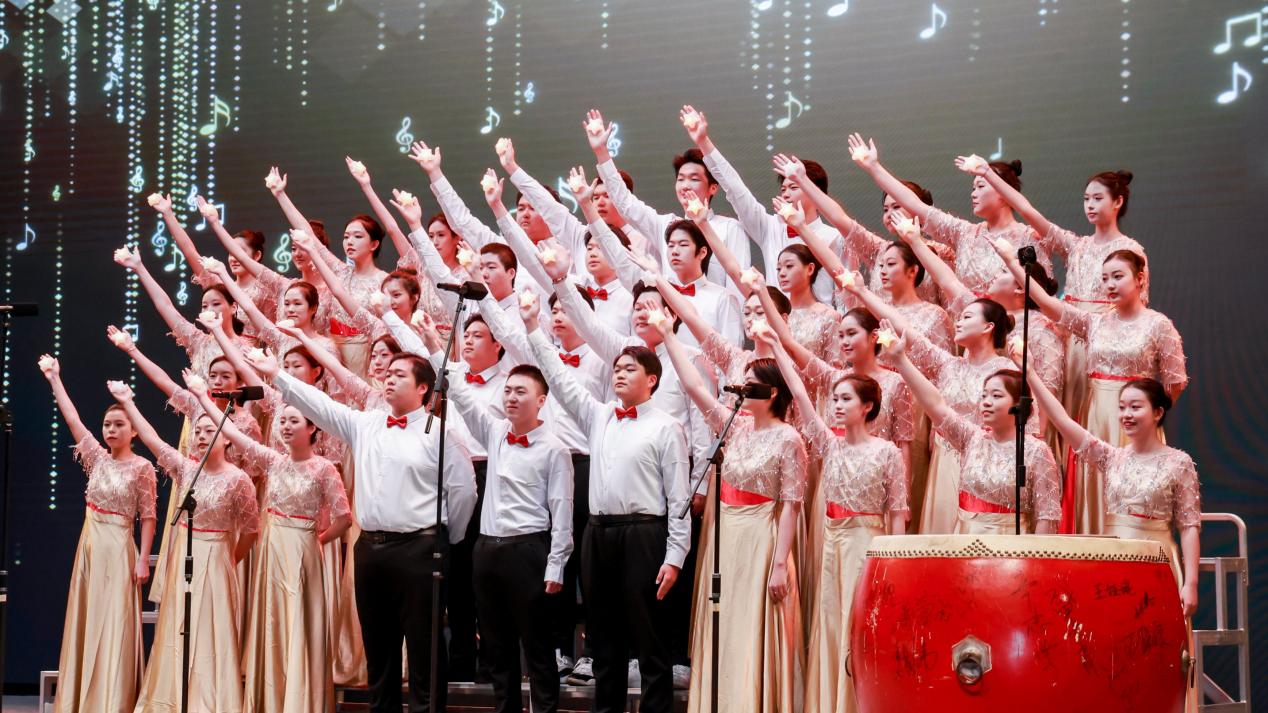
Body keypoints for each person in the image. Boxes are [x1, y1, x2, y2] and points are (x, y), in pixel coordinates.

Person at [255, 348, 477, 712]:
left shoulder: (439, 432)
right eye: (388, 373)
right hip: (371, 549)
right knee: (379, 654)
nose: (389, 378)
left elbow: (464, 491)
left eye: (400, 374)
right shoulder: (367, 423)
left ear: (423, 388)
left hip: (420, 549)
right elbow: (321, 407)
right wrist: (277, 374)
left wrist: (448, 538)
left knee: (424, 653)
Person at [523, 295, 690, 713]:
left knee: (650, 642)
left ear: (652, 379)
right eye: (616, 368)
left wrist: (675, 556)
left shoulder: (667, 427)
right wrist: (531, 328)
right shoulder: (599, 416)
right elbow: (558, 378)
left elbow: (679, 499)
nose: (619, 373)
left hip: (644, 534)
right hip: (598, 535)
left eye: (630, 368)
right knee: (604, 642)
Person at [654, 312, 807, 713]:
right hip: (727, 536)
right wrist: (668, 335)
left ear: (772, 393)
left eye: (751, 383)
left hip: (761, 537)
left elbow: (791, 505)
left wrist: (780, 563)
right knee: (725, 620)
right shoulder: (735, 428)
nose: (742, 387)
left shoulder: (789, 438)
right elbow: (693, 386)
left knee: (752, 622)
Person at [1024, 371, 1200, 711]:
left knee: (1158, 652)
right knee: (1115, 651)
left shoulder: (1179, 463)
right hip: (1115, 564)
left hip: (1157, 563)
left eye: (1135, 407)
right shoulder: (1112, 457)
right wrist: (1030, 373)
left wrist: (1190, 582)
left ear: (1158, 412)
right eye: (1122, 407)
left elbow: (1189, 525)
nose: (1126, 415)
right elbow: (1062, 421)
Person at [993, 243, 1187, 534]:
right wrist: (1010, 260)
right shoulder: (1093, 323)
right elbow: (1045, 302)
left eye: (1118, 276)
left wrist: (1147, 417)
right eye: (1105, 278)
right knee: (1091, 486)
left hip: (1134, 421)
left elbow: (1175, 382)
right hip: (1095, 416)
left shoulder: (1159, 325)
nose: (1110, 284)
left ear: (1140, 279)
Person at [761, 333, 909, 713]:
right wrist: (776, 347)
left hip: (867, 547)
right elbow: (800, 393)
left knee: (856, 625)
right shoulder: (830, 445)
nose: (837, 406)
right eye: (835, 399)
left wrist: (894, 566)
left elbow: (897, 514)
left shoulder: (888, 452)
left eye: (846, 399)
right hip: (832, 544)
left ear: (868, 406)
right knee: (829, 624)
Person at [186, 380, 351, 713]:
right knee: (273, 622)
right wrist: (203, 396)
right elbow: (234, 436)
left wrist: (316, 540)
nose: (286, 426)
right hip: (273, 551)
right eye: (283, 421)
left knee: (299, 623)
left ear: (312, 427)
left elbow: (344, 518)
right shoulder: (274, 461)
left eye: (294, 421)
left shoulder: (324, 470)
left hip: (303, 551)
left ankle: (300, 702)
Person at [110, 381, 258, 713]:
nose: (202, 435)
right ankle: (173, 698)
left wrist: (228, 558)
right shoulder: (186, 470)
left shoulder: (239, 480)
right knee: (179, 625)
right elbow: (153, 440)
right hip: (186, 555)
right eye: (198, 431)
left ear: (226, 437)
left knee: (212, 630)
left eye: (210, 430)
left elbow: (251, 530)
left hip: (218, 556)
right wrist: (128, 402)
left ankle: (213, 702)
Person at [438, 356, 574, 713]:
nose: (511, 398)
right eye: (508, 391)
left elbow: (562, 512)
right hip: (487, 550)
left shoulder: (555, 449)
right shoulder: (495, 431)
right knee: (497, 648)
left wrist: (556, 565)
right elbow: (463, 396)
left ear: (541, 400)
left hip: (529, 550)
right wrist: (438, 348)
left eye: (520, 392)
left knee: (538, 648)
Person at [841, 274, 1014, 534]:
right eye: (959, 317)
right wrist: (862, 292)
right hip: (944, 460)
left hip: (988, 461)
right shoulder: (948, 366)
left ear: (988, 327)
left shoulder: (1007, 371)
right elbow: (908, 332)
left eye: (967, 317)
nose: (958, 322)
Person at [41, 357, 156, 713]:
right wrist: (55, 378)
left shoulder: (142, 467)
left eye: (119, 424)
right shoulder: (97, 459)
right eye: (107, 424)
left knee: (116, 621)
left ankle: (113, 700)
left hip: (119, 548)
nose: (111, 430)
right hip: (91, 547)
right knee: (87, 618)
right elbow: (72, 419)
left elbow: (148, 517)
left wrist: (142, 560)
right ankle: (81, 698)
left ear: (133, 431)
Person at [887, 329, 1060, 534]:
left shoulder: (1036, 451)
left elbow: (1047, 516)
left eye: (996, 396)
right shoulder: (971, 439)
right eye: (984, 395)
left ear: (1018, 404)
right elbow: (935, 404)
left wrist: (1033, 555)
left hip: (1009, 546)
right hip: (964, 542)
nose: (986, 402)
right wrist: (901, 360)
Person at [846, 133, 1053, 294]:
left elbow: (1042, 294)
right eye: (973, 188)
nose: (973, 193)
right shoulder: (965, 233)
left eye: (981, 186)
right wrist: (873, 167)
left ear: (1003, 192)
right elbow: (915, 204)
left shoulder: (1029, 238)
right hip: (973, 329)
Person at [681, 105, 844, 305]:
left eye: (794, 187)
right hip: (775, 319)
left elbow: (845, 292)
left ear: (815, 193)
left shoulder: (833, 237)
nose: (785, 194)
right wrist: (704, 142)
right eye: (783, 189)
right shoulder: (770, 227)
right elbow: (736, 190)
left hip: (823, 321)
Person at [566, 169, 742, 349]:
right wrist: (587, 206)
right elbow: (614, 253)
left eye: (682, 245)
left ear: (702, 252)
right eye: (671, 245)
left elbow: (734, 353)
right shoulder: (655, 290)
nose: (674, 251)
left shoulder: (723, 298)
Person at [586, 108, 751, 294]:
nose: (685, 185)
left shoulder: (730, 229)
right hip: (670, 310)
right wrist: (602, 152)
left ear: (713, 187)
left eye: (694, 179)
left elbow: (740, 286)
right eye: (680, 179)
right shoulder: (665, 225)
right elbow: (626, 204)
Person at [772, 153, 950, 306]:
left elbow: (951, 302)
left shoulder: (943, 253)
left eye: (896, 207)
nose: (889, 214)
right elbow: (841, 219)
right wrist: (802, 180)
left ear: (917, 208)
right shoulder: (880, 250)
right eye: (885, 209)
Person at [267, 167, 390, 375]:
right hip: (333, 351)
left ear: (374, 244)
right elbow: (308, 235)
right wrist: (281, 195)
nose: (350, 242)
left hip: (366, 356)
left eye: (357, 236)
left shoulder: (384, 281)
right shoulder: (340, 271)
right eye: (346, 237)